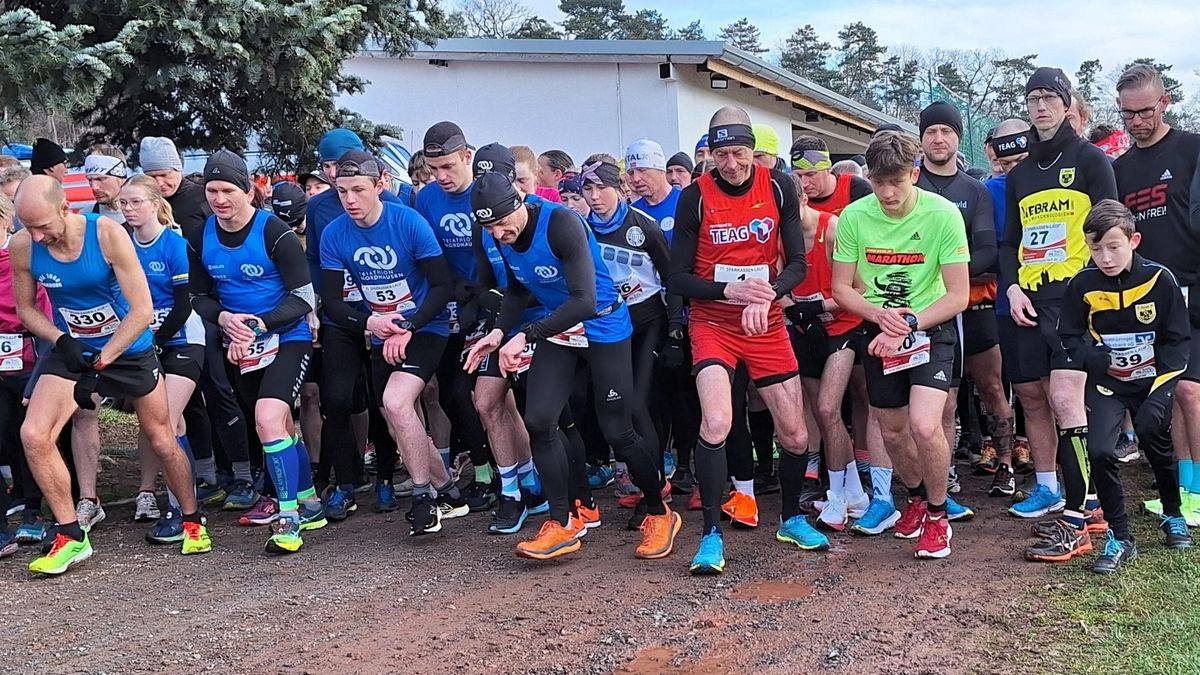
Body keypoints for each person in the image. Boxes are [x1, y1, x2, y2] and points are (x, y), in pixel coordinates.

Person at [465, 172, 678, 562]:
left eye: (500, 223)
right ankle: (564, 521)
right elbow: (517, 289)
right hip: (558, 329)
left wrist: (525, 335)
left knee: (618, 428)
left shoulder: (561, 223)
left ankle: (658, 510)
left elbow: (584, 299)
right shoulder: (506, 235)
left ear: (518, 203)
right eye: (489, 228)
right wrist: (497, 333)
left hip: (601, 325)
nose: (497, 234)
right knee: (540, 420)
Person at [13, 175, 211, 575]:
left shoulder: (105, 235)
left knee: (160, 435)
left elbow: (141, 311)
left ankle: (191, 519)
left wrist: (103, 359)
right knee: (34, 434)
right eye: (28, 228)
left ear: (66, 208)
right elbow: (26, 310)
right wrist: (61, 341)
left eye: (43, 227)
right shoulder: (24, 246)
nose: (37, 237)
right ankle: (71, 535)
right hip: (74, 349)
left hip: (129, 347)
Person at [669, 106, 821, 575]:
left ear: (753, 151)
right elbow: (676, 277)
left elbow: (797, 262)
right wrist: (727, 290)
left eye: (737, 153)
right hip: (714, 323)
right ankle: (711, 534)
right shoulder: (694, 196)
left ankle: (792, 516)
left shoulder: (777, 187)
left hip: (767, 322)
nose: (729, 163)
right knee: (716, 421)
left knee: (795, 432)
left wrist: (770, 293)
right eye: (720, 154)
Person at [831, 131, 971, 559]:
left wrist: (909, 322)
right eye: (878, 182)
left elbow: (958, 295)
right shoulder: (855, 216)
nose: (888, 193)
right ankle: (913, 499)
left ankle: (938, 513)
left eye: (897, 182)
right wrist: (880, 318)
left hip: (930, 325)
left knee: (925, 424)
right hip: (880, 331)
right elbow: (840, 288)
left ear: (915, 173)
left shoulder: (943, 214)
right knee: (891, 429)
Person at [1000, 67, 1117, 563]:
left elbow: (1113, 226)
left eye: (1050, 97)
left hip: (1075, 300)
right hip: (1029, 298)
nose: (1040, 106)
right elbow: (1011, 242)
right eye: (1033, 99)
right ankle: (1051, 488)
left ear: (1068, 104)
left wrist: (1097, 289)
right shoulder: (1022, 172)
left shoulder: (1090, 159)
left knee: (1069, 398)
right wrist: (1011, 288)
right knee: (1030, 392)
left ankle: (1088, 506)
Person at [187, 150, 321, 554]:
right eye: (212, 190)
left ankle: (288, 516)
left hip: (287, 336)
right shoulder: (200, 236)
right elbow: (198, 295)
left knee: (266, 418)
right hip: (242, 343)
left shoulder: (273, 232)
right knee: (277, 425)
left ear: (248, 191)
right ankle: (309, 500)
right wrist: (225, 318)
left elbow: (303, 298)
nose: (219, 198)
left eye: (228, 189)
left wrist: (259, 323)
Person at [322, 149, 458, 536]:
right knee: (395, 413)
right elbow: (332, 302)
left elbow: (442, 286)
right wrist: (372, 322)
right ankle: (447, 489)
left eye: (358, 190)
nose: (349, 200)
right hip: (382, 329)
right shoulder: (335, 233)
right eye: (342, 191)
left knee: (397, 402)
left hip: (424, 325)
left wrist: (410, 325)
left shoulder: (408, 222)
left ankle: (422, 498)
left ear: (381, 184)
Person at [1057, 200, 1192, 573]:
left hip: (1152, 382)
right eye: (1095, 248)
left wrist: (1161, 390)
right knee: (1101, 450)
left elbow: (1178, 340)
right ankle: (1120, 535)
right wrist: (1090, 356)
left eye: (1113, 246)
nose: (1105, 257)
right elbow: (1068, 333)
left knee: (1153, 437)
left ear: (1134, 240)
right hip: (1108, 385)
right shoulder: (1082, 284)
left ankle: (1172, 513)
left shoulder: (1159, 279)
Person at [1112, 63, 1200, 523]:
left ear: (1164, 102)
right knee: (1169, 390)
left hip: (1193, 286)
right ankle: (1186, 490)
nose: (1137, 122)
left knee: (1189, 390)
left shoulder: (1191, 149)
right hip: (1148, 295)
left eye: (1145, 111)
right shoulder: (1120, 168)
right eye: (1127, 114)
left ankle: (1199, 491)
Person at [305, 129, 408, 518]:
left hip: (387, 314)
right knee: (336, 398)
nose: (334, 174)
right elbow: (314, 259)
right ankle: (346, 482)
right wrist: (318, 297)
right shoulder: (319, 209)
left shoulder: (390, 203)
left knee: (382, 396)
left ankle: (384, 477)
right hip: (343, 314)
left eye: (339, 164)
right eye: (327, 166)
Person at [916, 102, 1015, 499]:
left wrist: (943, 274)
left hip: (973, 305)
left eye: (947, 132)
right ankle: (946, 473)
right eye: (930, 133)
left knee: (991, 386)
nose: (939, 140)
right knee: (944, 398)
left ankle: (1006, 464)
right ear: (921, 139)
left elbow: (989, 252)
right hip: (927, 311)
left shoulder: (974, 190)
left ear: (958, 138)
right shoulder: (912, 184)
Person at [581, 153, 678, 523]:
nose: (594, 196)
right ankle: (638, 481)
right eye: (587, 188)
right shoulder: (580, 227)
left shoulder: (644, 226)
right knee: (613, 409)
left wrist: (674, 329)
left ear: (620, 187)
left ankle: (654, 488)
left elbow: (671, 277)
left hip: (646, 322)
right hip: (607, 327)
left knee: (638, 407)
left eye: (602, 187)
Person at [120, 175, 217, 539]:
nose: (129, 210)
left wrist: (154, 338)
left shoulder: (173, 243)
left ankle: (182, 511)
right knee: (166, 427)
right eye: (123, 204)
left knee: (168, 419)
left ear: (154, 204)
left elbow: (182, 302)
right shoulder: (124, 244)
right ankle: (183, 504)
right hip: (145, 340)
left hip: (183, 339)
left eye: (135, 202)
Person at [415, 123, 504, 512]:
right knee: (452, 392)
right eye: (434, 169)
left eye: (448, 166)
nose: (441, 177)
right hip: (450, 302)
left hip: (493, 299)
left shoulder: (486, 192)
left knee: (496, 396)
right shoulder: (427, 199)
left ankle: (513, 472)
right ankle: (483, 472)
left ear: (468, 156)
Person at [782, 176, 867, 531]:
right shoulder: (777, 236)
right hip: (804, 328)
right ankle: (855, 494)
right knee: (819, 415)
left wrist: (818, 307)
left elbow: (862, 287)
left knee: (830, 409)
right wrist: (794, 309)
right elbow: (772, 282)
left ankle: (837, 496)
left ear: (803, 198)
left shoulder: (831, 229)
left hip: (842, 326)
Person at [0, 193, 51, 555]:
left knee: (28, 436)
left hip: (29, 354)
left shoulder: (24, 258)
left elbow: (43, 310)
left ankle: (34, 512)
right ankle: (2, 527)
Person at [791, 135, 873, 215]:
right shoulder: (792, 194)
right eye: (798, 176)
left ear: (828, 169)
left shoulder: (857, 188)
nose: (803, 184)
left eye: (810, 174)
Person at [84, 150, 129, 224]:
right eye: (90, 180)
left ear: (121, 179)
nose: (94, 187)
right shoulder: (84, 218)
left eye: (100, 179)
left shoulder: (143, 214)